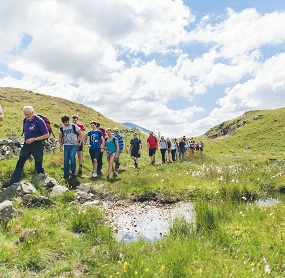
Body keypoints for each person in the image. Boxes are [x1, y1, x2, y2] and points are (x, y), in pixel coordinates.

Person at [9, 106, 49, 185]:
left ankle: (43, 183)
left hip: (37, 145)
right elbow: (26, 132)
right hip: (27, 145)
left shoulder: (39, 121)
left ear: (33, 112)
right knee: (20, 162)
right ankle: (13, 184)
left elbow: (46, 135)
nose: (27, 116)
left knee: (38, 165)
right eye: (25, 115)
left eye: (28, 114)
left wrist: (34, 139)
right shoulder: (25, 120)